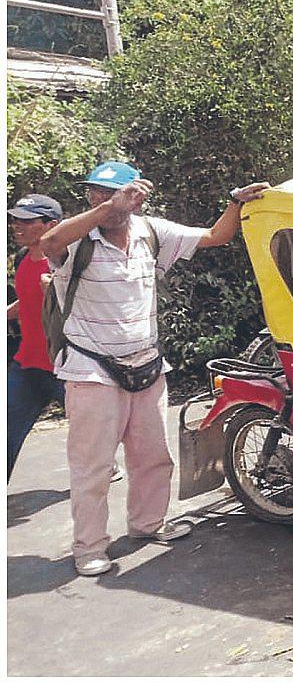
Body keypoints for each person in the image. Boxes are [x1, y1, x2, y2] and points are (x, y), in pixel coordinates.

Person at [39, 161, 269, 577]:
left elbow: (216, 236)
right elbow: (47, 241)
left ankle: (147, 524)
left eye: (112, 193)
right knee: (93, 467)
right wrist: (105, 209)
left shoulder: (150, 232)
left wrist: (236, 202)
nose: (102, 200)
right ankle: (89, 547)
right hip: (92, 369)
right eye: (96, 193)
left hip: (146, 364)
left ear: (137, 197)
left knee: (153, 457)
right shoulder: (78, 241)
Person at [7, 194, 68, 479]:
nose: (16, 225)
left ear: (50, 225)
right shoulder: (22, 258)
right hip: (27, 365)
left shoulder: (65, 263)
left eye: (26, 221)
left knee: (95, 437)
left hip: (66, 369)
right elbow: (27, 300)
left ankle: (104, 466)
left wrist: (55, 293)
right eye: (15, 220)